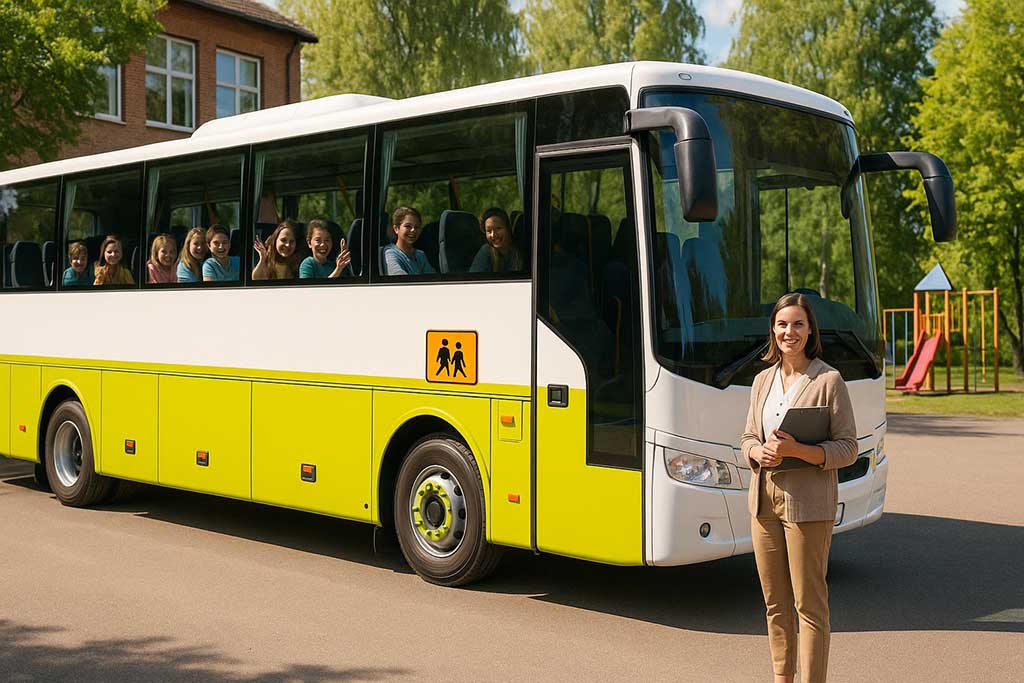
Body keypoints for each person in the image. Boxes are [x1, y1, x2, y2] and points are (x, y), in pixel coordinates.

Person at [740, 292, 858, 683]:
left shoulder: (828, 380)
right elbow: (745, 439)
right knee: (775, 605)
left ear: (810, 330)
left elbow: (847, 448)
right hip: (764, 503)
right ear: (772, 330)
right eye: (782, 324)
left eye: (798, 324)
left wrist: (798, 451)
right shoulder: (761, 380)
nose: (789, 332)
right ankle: (781, 679)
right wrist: (757, 450)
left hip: (808, 505)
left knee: (809, 606)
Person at [383, 206, 434, 275]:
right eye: (408, 226)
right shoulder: (390, 253)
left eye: (417, 227)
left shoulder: (420, 255)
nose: (413, 230)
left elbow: (432, 279)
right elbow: (399, 280)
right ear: (396, 229)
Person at [470, 207, 522, 273]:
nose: (493, 235)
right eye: (489, 231)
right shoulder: (486, 252)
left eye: (498, 228)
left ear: (508, 228)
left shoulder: (519, 251)